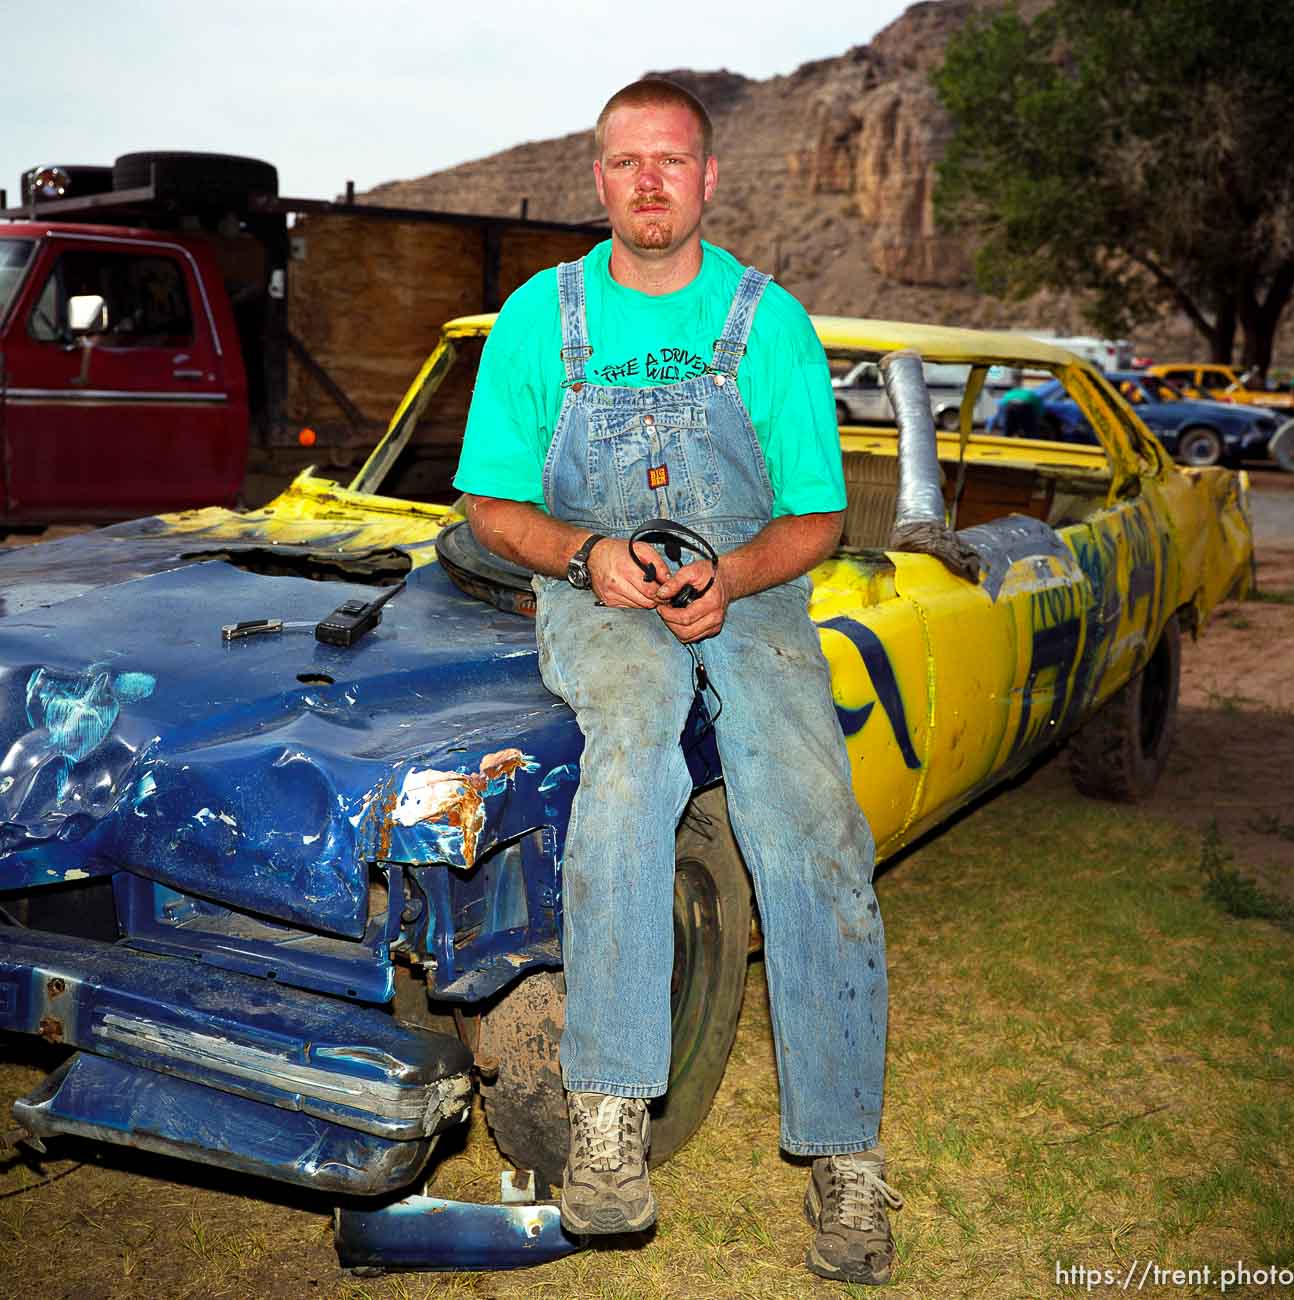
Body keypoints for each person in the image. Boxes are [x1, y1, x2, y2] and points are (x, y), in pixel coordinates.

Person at [453, 78, 898, 1287]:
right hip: (599, 593)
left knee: (811, 822)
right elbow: (491, 505)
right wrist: (586, 553)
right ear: (597, 179)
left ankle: (845, 1153)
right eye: (625, 161)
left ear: (710, 179)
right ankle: (606, 1115)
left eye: (673, 160)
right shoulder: (539, 322)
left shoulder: (774, 323)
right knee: (635, 748)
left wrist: (735, 575)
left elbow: (819, 515)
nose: (650, 181)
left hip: (750, 594)